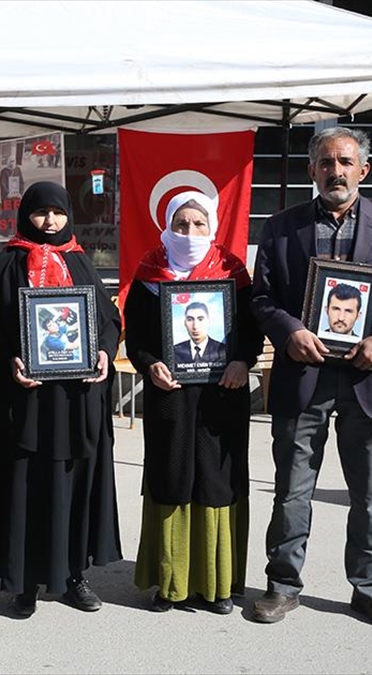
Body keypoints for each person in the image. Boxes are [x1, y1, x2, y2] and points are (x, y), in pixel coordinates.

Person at [250, 127, 372, 629]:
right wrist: (288, 330)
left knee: (369, 496)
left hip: (370, 378)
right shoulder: (281, 227)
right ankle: (282, 585)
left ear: (364, 169)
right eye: (326, 163)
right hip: (303, 375)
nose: (336, 171)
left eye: (345, 162)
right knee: (291, 491)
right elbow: (261, 298)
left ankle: (370, 590)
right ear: (312, 170)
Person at [0, 181, 122, 618]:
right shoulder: (6, 264)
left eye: (57, 212)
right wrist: (9, 365)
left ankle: (75, 576)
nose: (50, 222)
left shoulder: (80, 261)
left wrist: (103, 352)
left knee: (76, 484)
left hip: (77, 401)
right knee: (28, 486)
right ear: (26, 216)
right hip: (27, 404)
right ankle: (24, 583)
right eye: (41, 213)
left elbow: (107, 318)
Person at [125, 190, 262, 616]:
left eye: (198, 224)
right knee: (172, 478)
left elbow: (252, 331)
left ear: (213, 226)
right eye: (181, 224)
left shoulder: (232, 273)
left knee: (217, 482)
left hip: (224, 394)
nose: (189, 232)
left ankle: (218, 586)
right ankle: (170, 584)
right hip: (171, 398)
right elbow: (138, 340)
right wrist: (150, 366)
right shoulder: (149, 275)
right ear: (166, 226)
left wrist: (243, 360)